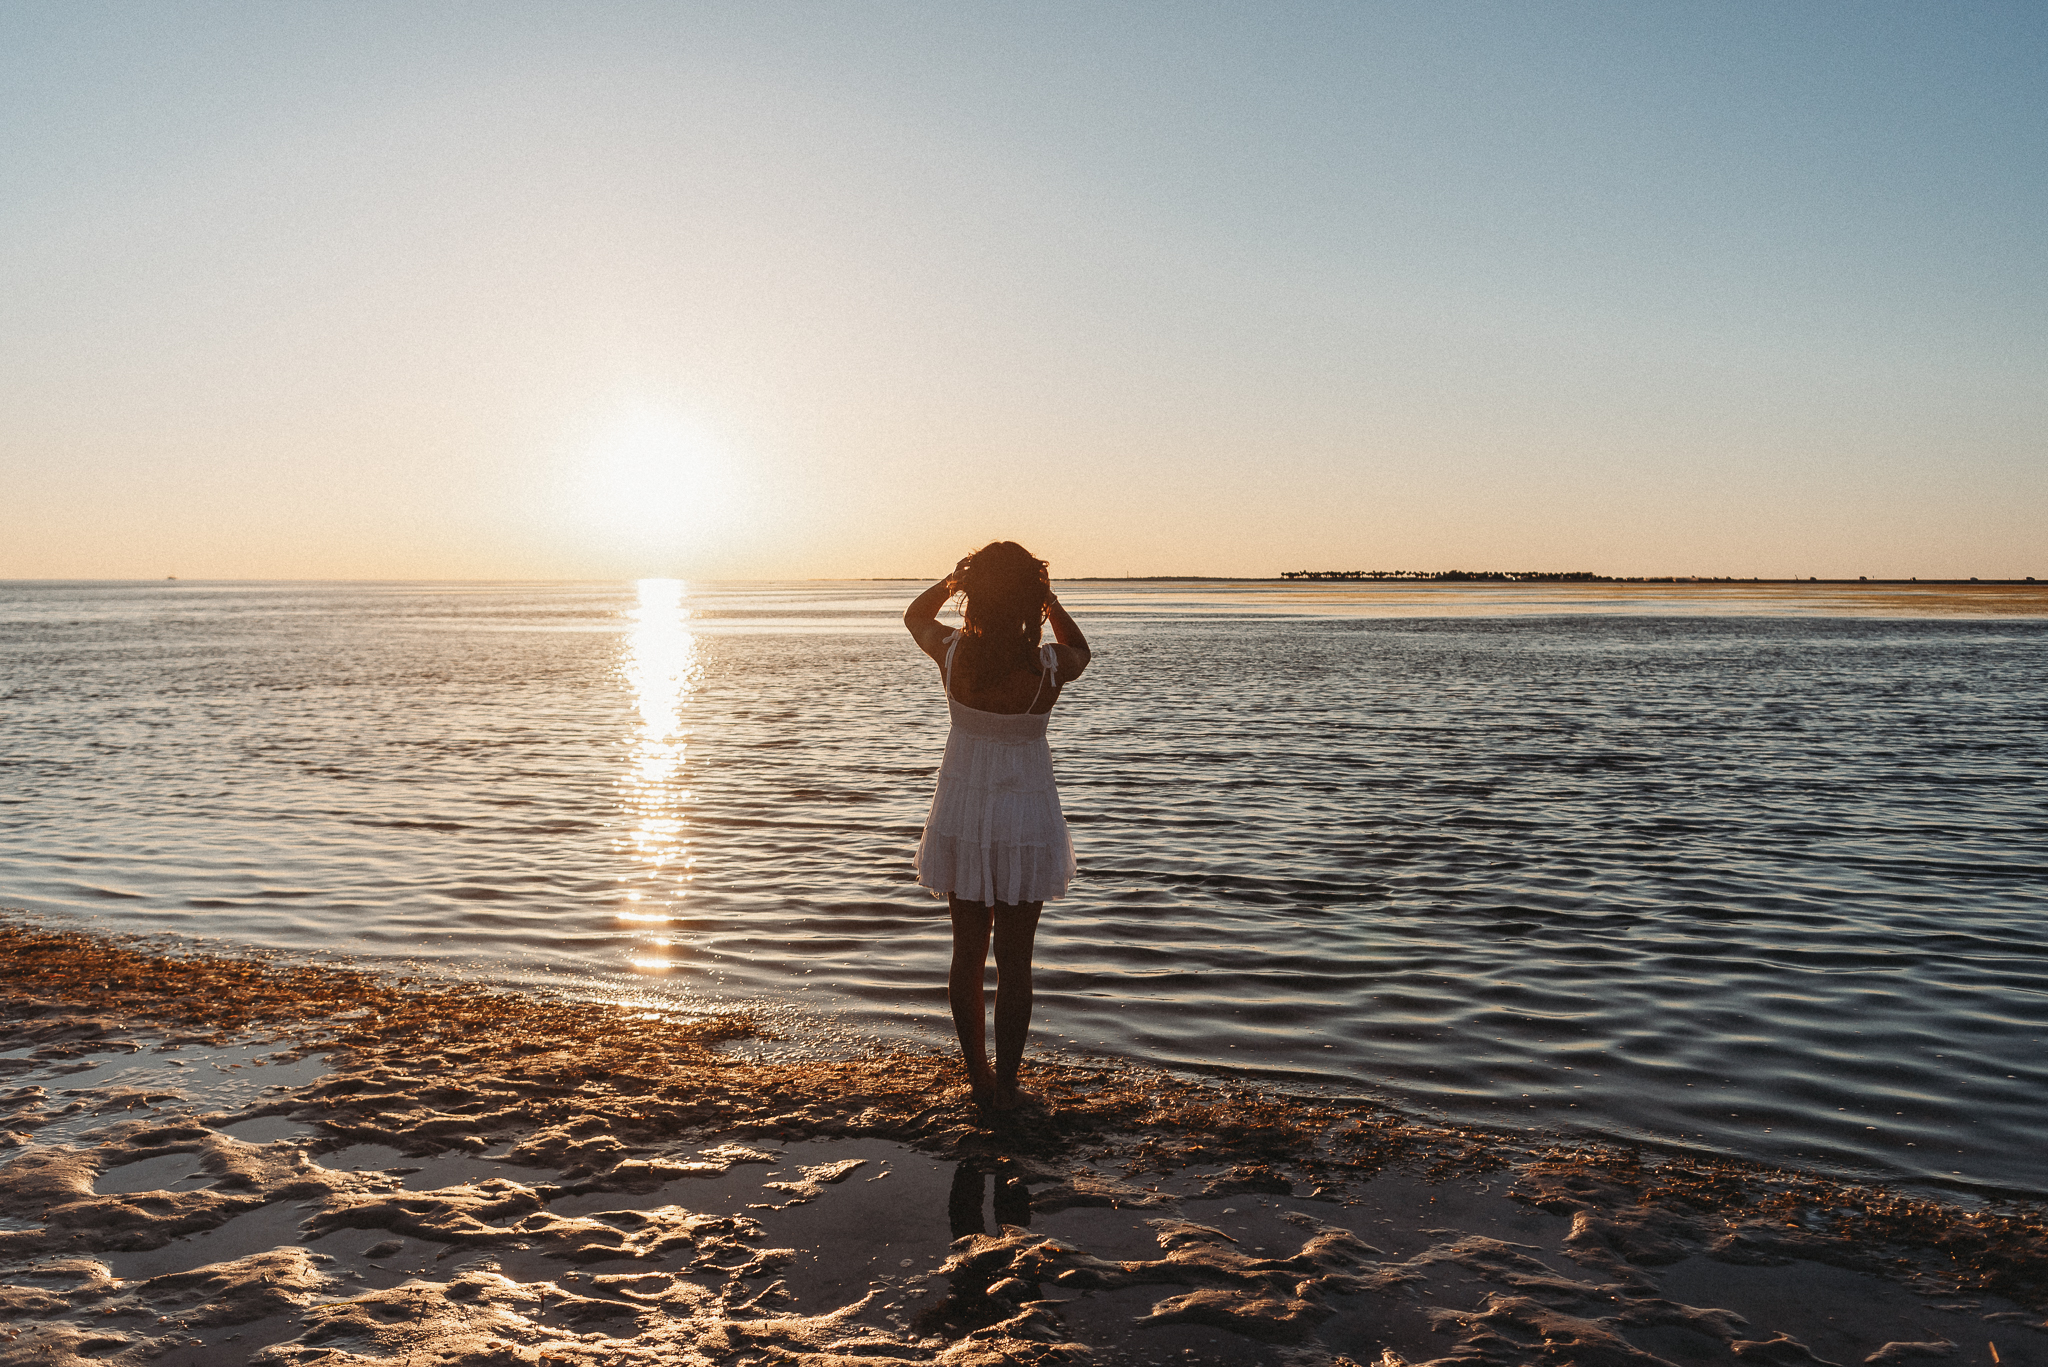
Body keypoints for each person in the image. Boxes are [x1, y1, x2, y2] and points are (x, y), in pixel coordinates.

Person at [903, 542, 1090, 1111]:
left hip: (963, 812)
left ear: (976, 596)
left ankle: (978, 1078)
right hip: (1027, 816)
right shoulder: (1049, 667)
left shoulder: (954, 654)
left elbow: (914, 616)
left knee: (967, 952)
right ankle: (1007, 1081)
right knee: (1016, 958)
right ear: (1030, 599)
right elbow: (1081, 647)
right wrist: (1048, 599)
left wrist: (953, 581)